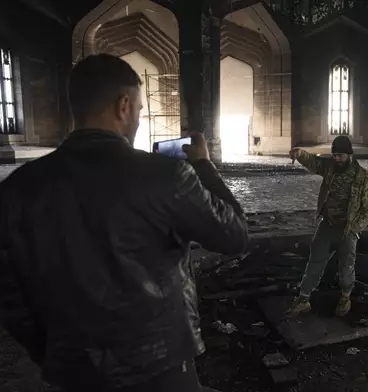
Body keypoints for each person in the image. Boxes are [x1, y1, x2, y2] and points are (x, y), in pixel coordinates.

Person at [0, 54, 247, 391]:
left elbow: (11, 296)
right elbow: (234, 235)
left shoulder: (17, 189)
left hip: (73, 370)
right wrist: (203, 166)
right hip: (160, 366)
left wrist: (54, 354)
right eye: (141, 111)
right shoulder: (166, 175)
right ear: (124, 106)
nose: (139, 119)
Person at [287, 136, 368, 316]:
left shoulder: (363, 177)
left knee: (346, 265)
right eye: (334, 155)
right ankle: (303, 299)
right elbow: (313, 162)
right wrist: (298, 153)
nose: (336, 159)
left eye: (340, 155)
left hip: (348, 229)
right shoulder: (330, 168)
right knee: (315, 260)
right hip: (327, 225)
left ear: (349, 155)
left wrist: (355, 228)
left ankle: (345, 296)